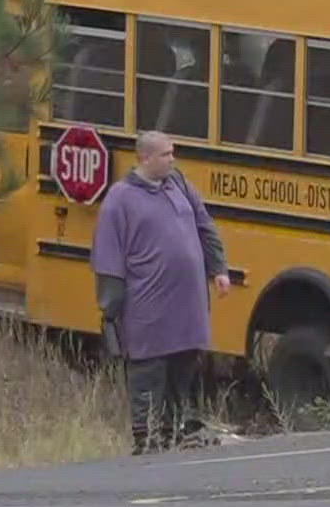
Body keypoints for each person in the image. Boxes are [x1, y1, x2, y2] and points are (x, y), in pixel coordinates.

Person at [91, 130, 232, 453]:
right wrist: (111, 309)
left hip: (188, 303)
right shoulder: (119, 199)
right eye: (166, 154)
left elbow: (205, 226)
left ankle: (174, 430)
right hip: (147, 304)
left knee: (183, 368)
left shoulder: (179, 185)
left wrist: (219, 269)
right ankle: (146, 437)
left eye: (173, 153)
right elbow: (109, 259)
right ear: (145, 158)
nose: (173, 159)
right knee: (148, 371)